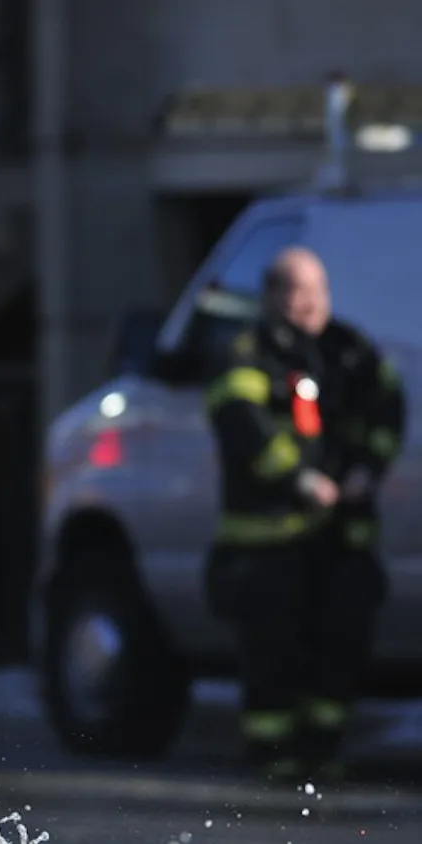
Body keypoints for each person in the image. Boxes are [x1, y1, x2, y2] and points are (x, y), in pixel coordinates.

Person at [204, 246, 403, 781]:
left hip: (341, 539)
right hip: (268, 540)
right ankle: (274, 760)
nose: (310, 302)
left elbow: (388, 406)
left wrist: (367, 467)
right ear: (272, 296)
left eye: (318, 290)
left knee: (341, 645)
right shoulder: (247, 352)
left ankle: (324, 752)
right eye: (297, 290)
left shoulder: (348, 348)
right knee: (273, 653)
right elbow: (243, 425)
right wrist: (300, 479)